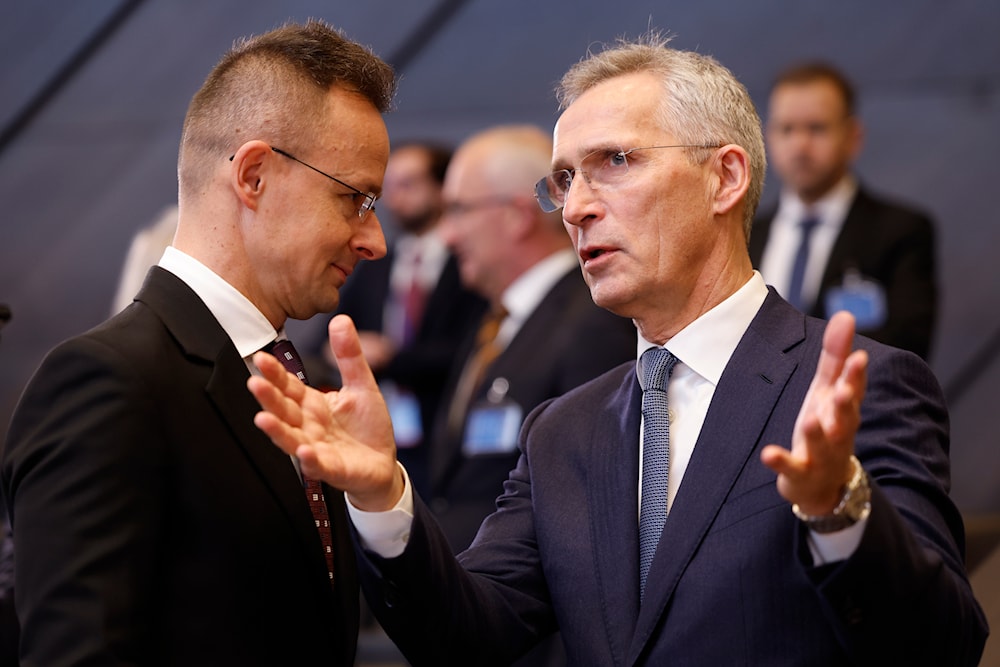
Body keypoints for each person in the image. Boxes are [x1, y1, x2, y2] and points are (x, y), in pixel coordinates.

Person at [247, 33, 988, 666]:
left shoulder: (863, 391)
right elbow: (466, 636)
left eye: (616, 162)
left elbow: (943, 643)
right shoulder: (563, 431)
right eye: (564, 179)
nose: (576, 206)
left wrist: (839, 511)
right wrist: (381, 496)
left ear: (724, 176)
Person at [1, 20, 395, 665]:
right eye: (355, 199)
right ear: (254, 176)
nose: (374, 239)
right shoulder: (110, 380)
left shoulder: (296, 378)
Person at [429, 124, 635, 555]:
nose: (447, 235)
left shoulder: (591, 324)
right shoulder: (495, 321)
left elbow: (589, 500)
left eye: (459, 210)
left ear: (517, 216)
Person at [325, 141, 486, 497]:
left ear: (442, 188)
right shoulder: (375, 263)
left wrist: (391, 358)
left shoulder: (468, 262)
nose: (396, 197)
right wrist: (340, 349)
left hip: (448, 431)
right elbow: (332, 330)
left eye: (409, 183)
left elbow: (472, 346)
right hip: (382, 430)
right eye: (390, 186)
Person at [749, 61, 938, 360]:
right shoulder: (746, 234)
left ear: (853, 137)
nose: (800, 145)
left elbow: (908, 346)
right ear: (768, 137)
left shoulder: (899, 231)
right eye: (787, 129)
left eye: (816, 128)